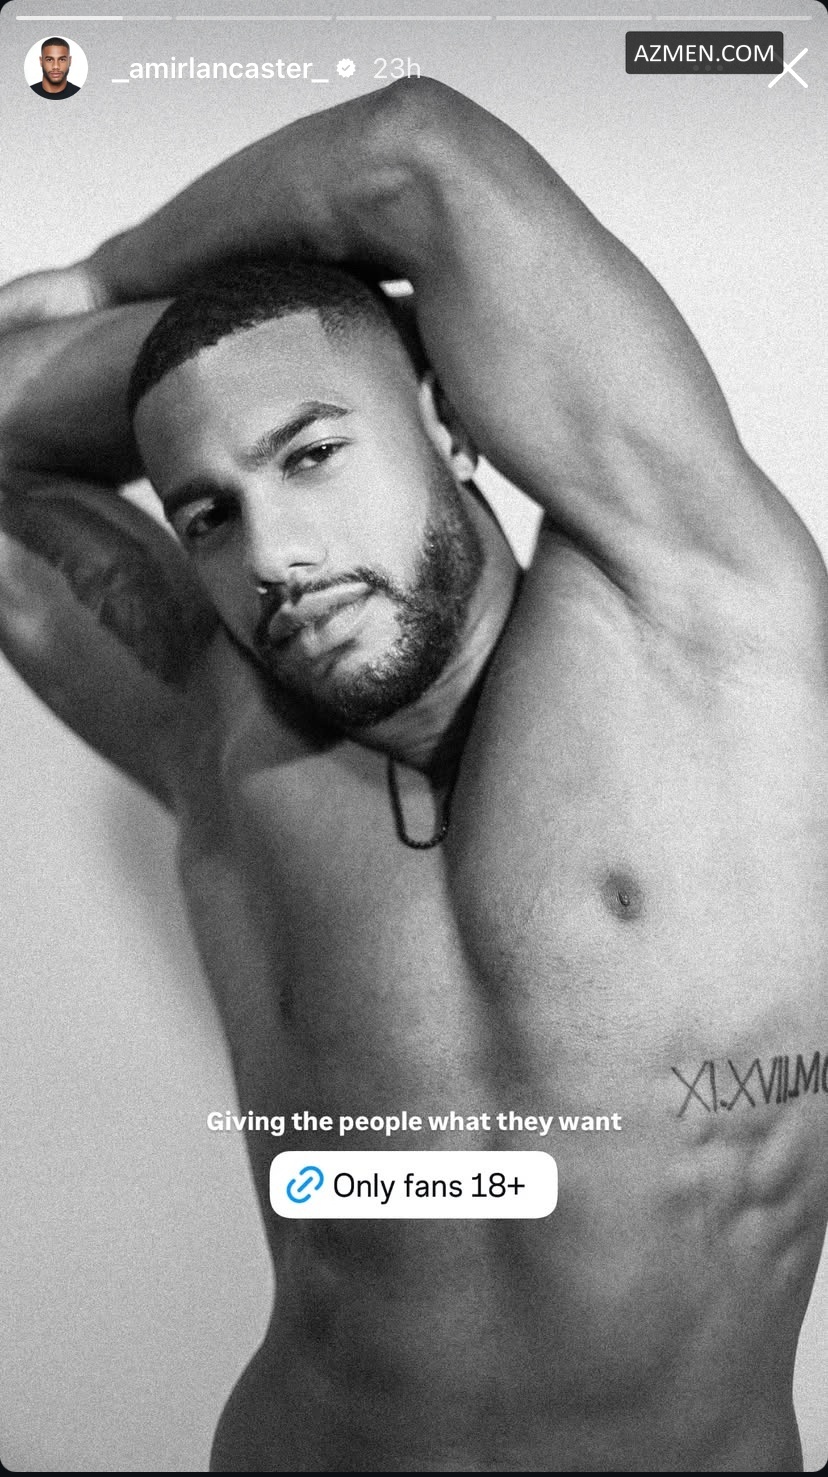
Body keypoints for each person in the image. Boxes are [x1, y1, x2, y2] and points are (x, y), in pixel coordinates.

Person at [0, 79, 826, 1473]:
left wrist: (112, 275)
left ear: (453, 419)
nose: (276, 555)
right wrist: (237, 337)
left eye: (314, 454)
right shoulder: (226, 744)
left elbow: (411, 154)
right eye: (210, 513)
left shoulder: (709, 626)